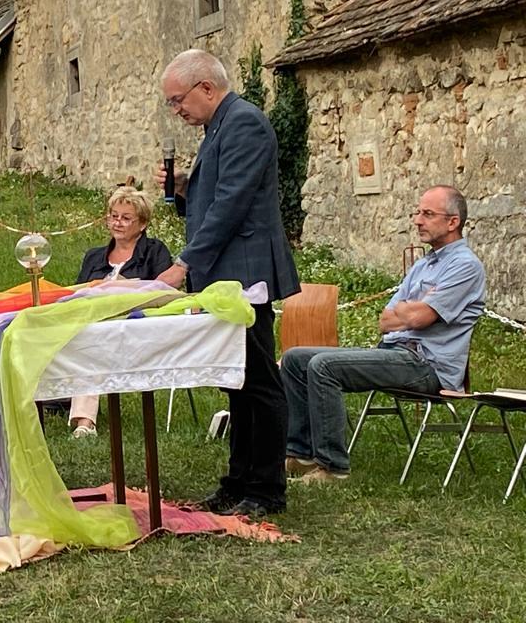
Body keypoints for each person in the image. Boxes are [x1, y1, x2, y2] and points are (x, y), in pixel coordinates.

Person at [155, 48, 300, 518]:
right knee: (235, 382)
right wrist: (183, 190)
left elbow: (232, 205)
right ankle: (237, 481)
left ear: (206, 87)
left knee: (258, 382)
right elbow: (214, 200)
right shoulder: (219, 126)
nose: (176, 110)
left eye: (178, 100)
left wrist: (183, 264)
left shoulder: (244, 123)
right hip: (225, 275)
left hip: (245, 272)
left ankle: (266, 489)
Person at [282, 185, 485, 483]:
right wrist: (412, 311)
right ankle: (302, 455)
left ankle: (333, 468)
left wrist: (411, 311)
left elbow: (419, 317)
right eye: (418, 212)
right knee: (294, 358)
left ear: (453, 222)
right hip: (394, 353)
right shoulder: (423, 265)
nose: (417, 220)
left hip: (426, 365)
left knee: (323, 366)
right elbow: (386, 320)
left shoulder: (466, 266)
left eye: (428, 214)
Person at [70, 185, 172, 438]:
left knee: (91, 342)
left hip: (135, 327)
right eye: (113, 216)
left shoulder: (155, 251)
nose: (117, 222)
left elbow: (163, 292)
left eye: (126, 218)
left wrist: (122, 287)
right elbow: (76, 295)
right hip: (90, 323)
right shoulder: (94, 257)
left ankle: (85, 422)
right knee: (84, 337)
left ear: (143, 224)